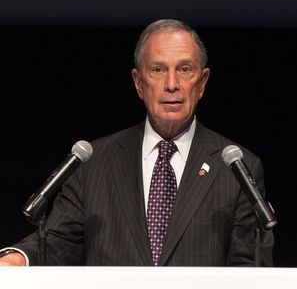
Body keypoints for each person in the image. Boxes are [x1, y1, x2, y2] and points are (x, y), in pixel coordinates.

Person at [0, 19, 273, 266]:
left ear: (201, 83)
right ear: (138, 83)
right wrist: (17, 259)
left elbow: (248, 268)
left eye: (185, 69)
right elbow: (58, 241)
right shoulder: (92, 164)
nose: (171, 84)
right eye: (158, 69)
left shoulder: (237, 169)